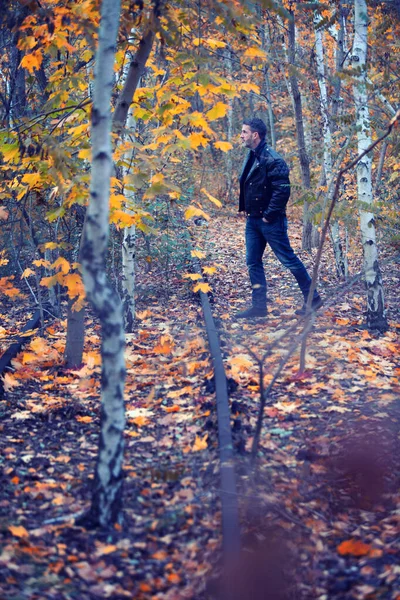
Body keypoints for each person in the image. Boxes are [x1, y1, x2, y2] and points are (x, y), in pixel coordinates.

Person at [235, 117, 322, 319]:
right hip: (253, 221)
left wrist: (268, 216)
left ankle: (313, 300)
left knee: (289, 260)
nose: (241, 135)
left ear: (255, 135)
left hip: (270, 221)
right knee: (253, 262)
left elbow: (282, 192)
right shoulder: (252, 156)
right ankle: (259, 306)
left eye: (244, 132)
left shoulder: (273, 159)